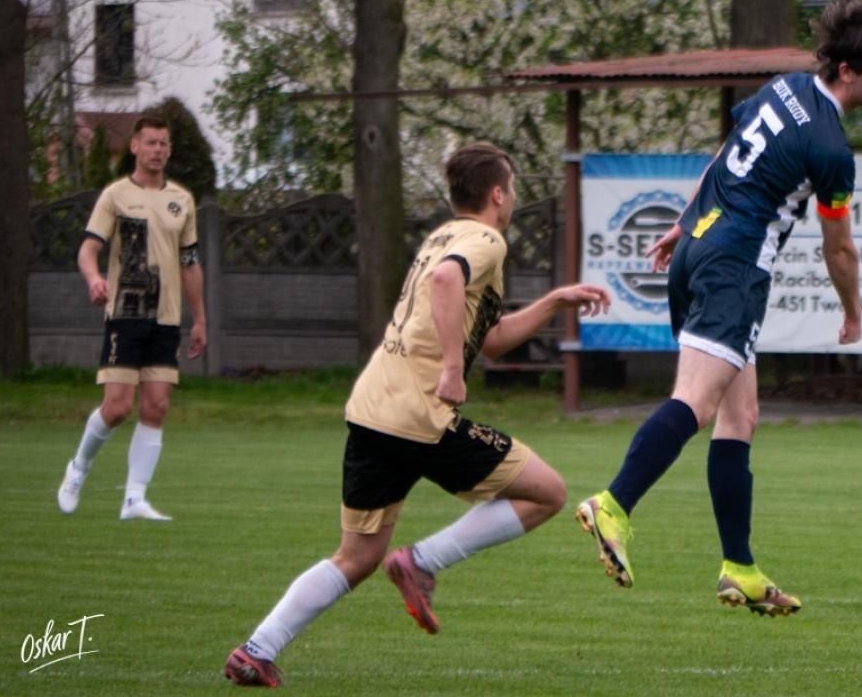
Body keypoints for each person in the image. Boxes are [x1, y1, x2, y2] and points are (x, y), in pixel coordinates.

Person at [222, 141, 611, 688]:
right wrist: (452, 371)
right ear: (498, 193)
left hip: (372, 408)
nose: (514, 198)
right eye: (514, 189)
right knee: (546, 492)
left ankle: (256, 648)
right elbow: (447, 282)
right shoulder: (485, 240)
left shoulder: (441, 236)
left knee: (356, 556)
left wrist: (552, 303)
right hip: (419, 414)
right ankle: (423, 561)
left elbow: (491, 340)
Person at [576, 0, 862, 616]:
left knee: (740, 416)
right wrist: (854, 313)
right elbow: (840, 251)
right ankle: (613, 505)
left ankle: (740, 568)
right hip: (735, 267)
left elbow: (722, 160)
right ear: (847, 71)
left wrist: (681, 223)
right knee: (696, 404)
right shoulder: (832, 149)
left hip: (700, 245)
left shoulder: (783, 89)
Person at [58, 113, 205, 521]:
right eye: (150, 142)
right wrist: (93, 279)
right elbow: (89, 249)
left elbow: (191, 262)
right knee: (118, 407)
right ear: (135, 147)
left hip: (167, 317)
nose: (157, 149)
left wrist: (200, 319)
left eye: (163, 143)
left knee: (156, 405)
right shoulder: (116, 195)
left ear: (169, 149)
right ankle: (78, 469)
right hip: (125, 313)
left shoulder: (182, 200)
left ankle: (134, 499)